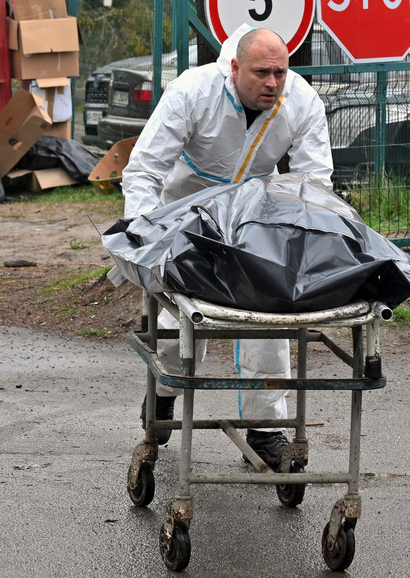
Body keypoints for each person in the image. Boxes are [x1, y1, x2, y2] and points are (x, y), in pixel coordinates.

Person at [121, 24, 334, 471]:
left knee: (270, 321)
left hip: (255, 220)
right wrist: (146, 235)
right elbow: (144, 170)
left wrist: (308, 243)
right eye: (261, 72)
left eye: (280, 72)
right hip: (186, 218)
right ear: (235, 67)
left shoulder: (301, 101)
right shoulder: (192, 93)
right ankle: (163, 393)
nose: (272, 83)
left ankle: (264, 429)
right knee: (181, 326)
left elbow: (315, 183)